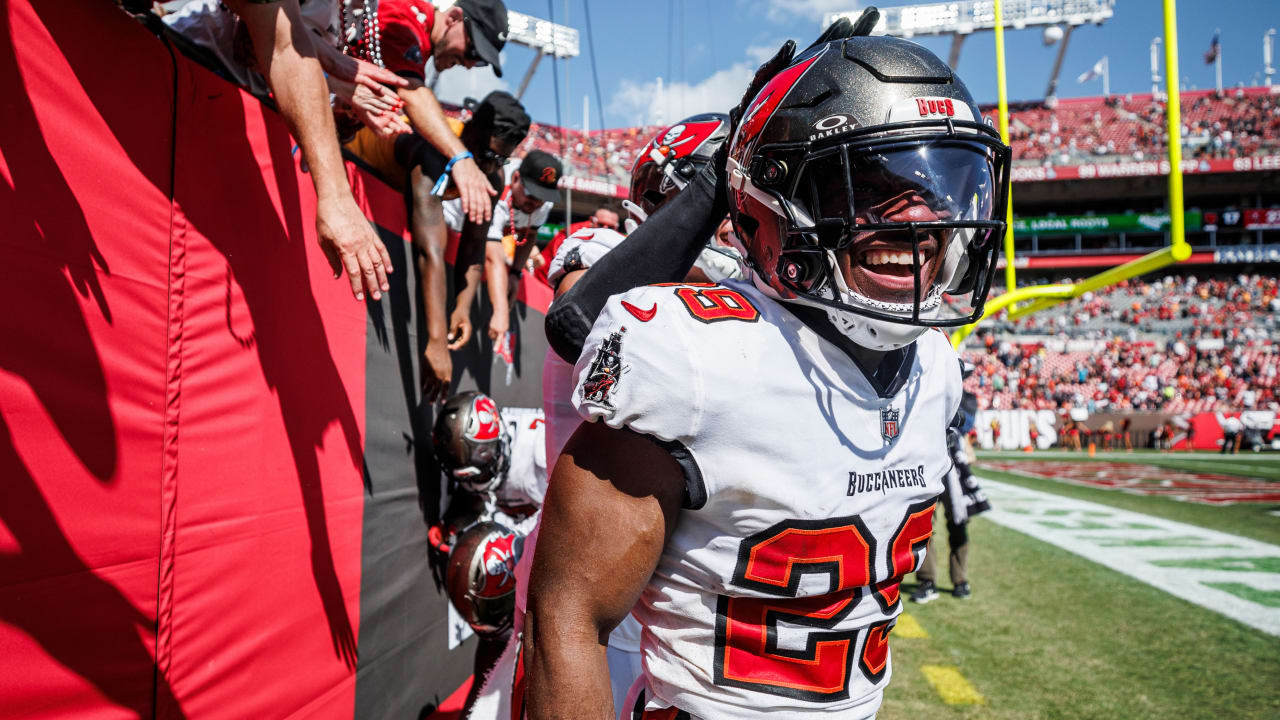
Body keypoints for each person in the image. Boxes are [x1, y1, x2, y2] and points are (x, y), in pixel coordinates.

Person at [525, 17, 1010, 720]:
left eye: (941, 185)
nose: (924, 220)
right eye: (872, 186)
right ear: (773, 200)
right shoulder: (692, 354)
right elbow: (567, 616)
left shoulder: (934, 361)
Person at [173, 0, 396, 302]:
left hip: (233, 105)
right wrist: (334, 82)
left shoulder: (365, 12)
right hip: (188, 61)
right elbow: (255, 45)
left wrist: (343, 111)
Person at [403, 91, 532, 400]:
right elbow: (430, 250)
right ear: (472, 130)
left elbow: (474, 246)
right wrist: (435, 341)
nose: (492, 167)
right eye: (489, 156)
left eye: (503, 159)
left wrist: (462, 306)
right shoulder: (436, 147)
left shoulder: (493, 177)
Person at [429, 391, 546, 714]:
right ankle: (483, 701)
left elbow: (567, 516)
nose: (477, 480)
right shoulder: (493, 446)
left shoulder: (541, 449)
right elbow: (485, 500)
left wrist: (506, 539)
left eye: (481, 466)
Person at [911, 402, 990, 603]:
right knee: (923, 524)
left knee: (958, 521)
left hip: (953, 459)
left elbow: (965, 422)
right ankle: (927, 580)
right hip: (924, 459)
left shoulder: (962, 393)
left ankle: (960, 580)